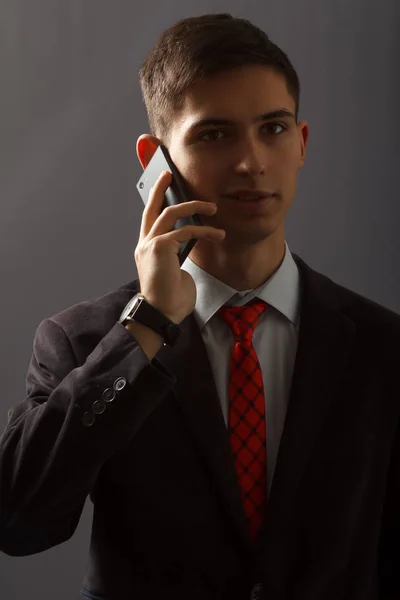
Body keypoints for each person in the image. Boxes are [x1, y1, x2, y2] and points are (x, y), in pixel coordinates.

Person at [0, 12, 399, 600]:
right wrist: (148, 326)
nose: (252, 162)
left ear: (302, 143)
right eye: (214, 134)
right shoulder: (83, 341)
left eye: (273, 129)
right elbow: (20, 523)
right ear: (154, 160)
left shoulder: (382, 346)